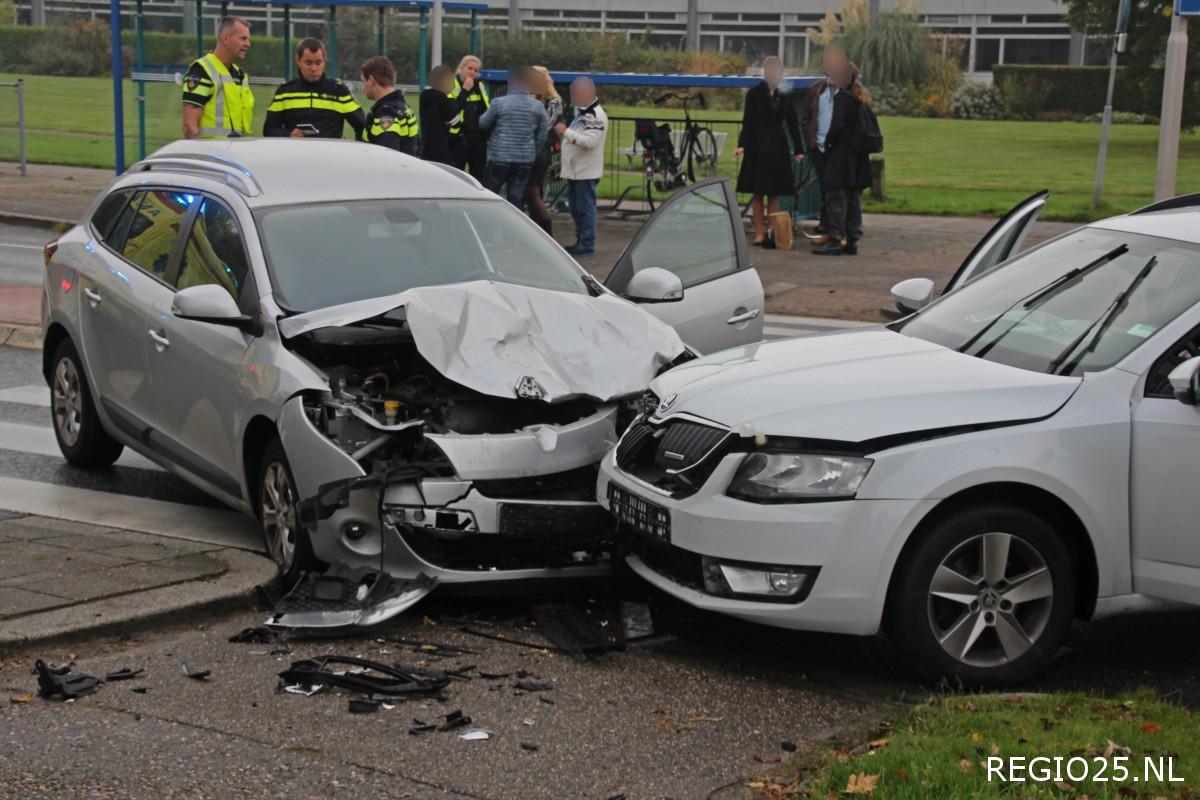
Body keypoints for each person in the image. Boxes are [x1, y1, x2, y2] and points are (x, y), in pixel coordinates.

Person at [733, 56, 804, 247]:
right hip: (757, 146)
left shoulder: (785, 95)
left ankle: (775, 232)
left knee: (774, 193)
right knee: (758, 193)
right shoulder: (754, 94)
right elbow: (747, 121)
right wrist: (742, 144)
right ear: (765, 72)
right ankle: (759, 232)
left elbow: (792, 123)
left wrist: (799, 149)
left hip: (777, 147)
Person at [812, 60, 872, 257]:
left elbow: (836, 127)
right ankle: (852, 239)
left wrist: (828, 145)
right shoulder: (858, 98)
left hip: (841, 156)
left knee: (835, 197)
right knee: (853, 198)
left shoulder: (841, 98)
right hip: (856, 157)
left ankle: (835, 238)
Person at [263, 39, 365, 139]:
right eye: (308, 63)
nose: (314, 69)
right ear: (298, 61)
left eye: (318, 63)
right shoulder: (284, 92)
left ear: (325, 61)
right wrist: (288, 134)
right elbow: (269, 129)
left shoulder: (339, 92)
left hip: (330, 154)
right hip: (295, 154)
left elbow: (362, 126)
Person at [477, 65, 549, 207]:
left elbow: (483, 123)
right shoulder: (538, 106)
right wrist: (532, 152)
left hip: (499, 156)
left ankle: (488, 225)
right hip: (525, 159)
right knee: (516, 198)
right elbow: (542, 134)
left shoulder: (498, 103)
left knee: (490, 195)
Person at [554, 76, 607, 258]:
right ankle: (581, 241)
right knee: (577, 208)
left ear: (585, 92)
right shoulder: (583, 113)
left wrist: (565, 132)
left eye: (574, 93)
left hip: (585, 172)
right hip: (578, 172)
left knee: (585, 208)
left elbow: (590, 142)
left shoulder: (594, 115)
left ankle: (586, 243)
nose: (572, 96)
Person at [801, 47, 848, 244]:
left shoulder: (847, 91)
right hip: (818, 147)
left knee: (835, 191)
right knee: (824, 189)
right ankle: (826, 226)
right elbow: (807, 117)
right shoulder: (816, 90)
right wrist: (809, 141)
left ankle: (836, 230)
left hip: (837, 151)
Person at [181, 16, 254, 139]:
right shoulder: (201, 70)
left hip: (235, 152)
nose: (248, 44)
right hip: (210, 154)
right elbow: (189, 125)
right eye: (243, 38)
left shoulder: (239, 74)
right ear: (225, 38)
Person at [525, 65, 564, 235]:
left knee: (532, 191)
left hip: (541, 149)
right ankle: (537, 230)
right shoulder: (532, 98)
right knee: (531, 192)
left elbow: (545, 125)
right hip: (530, 148)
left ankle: (547, 232)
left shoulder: (553, 101)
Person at [359, 56, 418, 156]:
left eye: (363, 81)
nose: (363, 87)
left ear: (371, 80)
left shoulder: (387, 114)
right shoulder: (402, 107)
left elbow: (386, 158)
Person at [446, 55, 490, 176]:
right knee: (456, 175)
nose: (472, 72)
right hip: (458, 138)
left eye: (476, 70)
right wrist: (465, 91)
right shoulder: (451, 85)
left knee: (478, 176)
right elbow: (451, 110)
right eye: (470, 68)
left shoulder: (479, 86)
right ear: (461, 69)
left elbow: (486, 109)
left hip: (478, 139)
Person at [419, 65, 463, 165]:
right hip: (441, 149)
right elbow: (456, 121)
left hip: (426, 146)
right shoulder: (442, 98)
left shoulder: (424, 95)